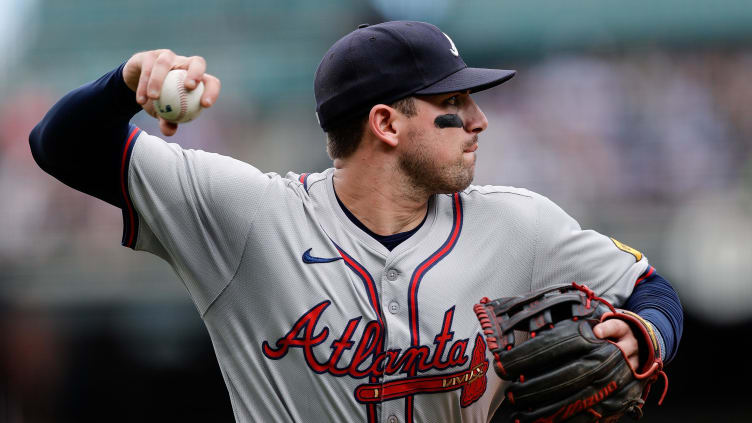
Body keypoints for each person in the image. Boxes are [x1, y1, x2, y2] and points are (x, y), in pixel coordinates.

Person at [29, 21, 682, 423]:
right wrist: (126, 82)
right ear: (386, 123)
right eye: (452, 103)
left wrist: (642, 334)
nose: (478, 121)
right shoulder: (248, 215)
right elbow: (59, 145)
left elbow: (650, 287)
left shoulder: (521, 223)